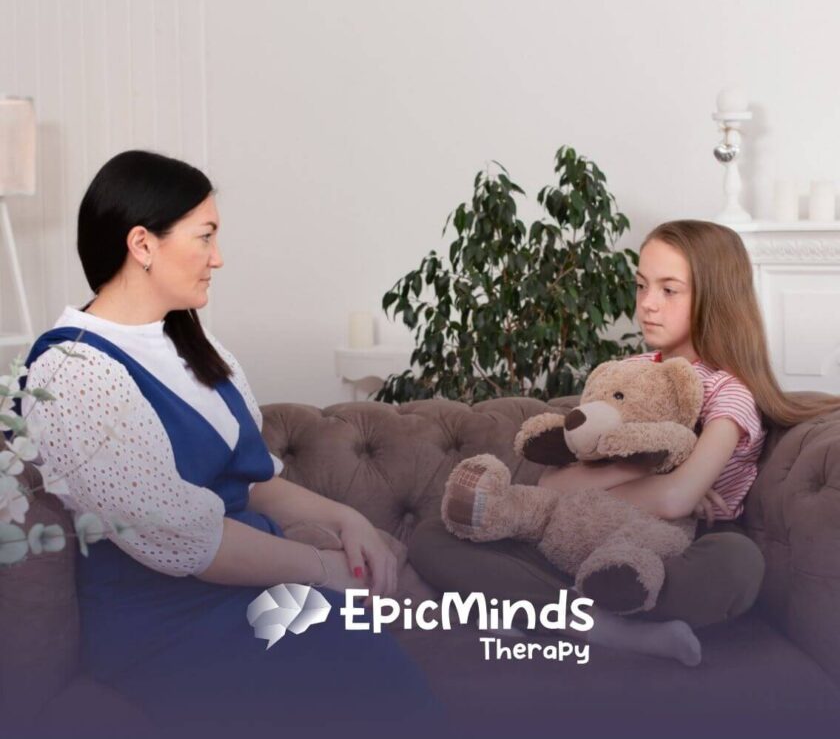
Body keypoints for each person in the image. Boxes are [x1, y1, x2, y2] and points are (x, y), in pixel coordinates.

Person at [21, 150, 443, 738]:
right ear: (142, 244)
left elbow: (256, 483)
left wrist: (349, 520)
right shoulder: (73, 373)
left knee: (390, 677)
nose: (218, 258)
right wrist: (322, 569)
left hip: (251, 591)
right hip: (166, 625)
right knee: (373, 684)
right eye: (205, 237)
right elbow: (189, 542)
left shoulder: (191, 345)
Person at [408, 219, 840, 666]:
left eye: (670, 290)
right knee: (435, 534)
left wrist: (661, 487)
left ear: (716, 297)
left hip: (671, 548)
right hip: (576, 534)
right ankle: (604, 627)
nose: (648, 305)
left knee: (737, 562)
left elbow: (674, 503)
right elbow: (551, 487)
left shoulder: (728, 392)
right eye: (641, 285)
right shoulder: (628, 372)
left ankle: (546, 611)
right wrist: (641, 467)